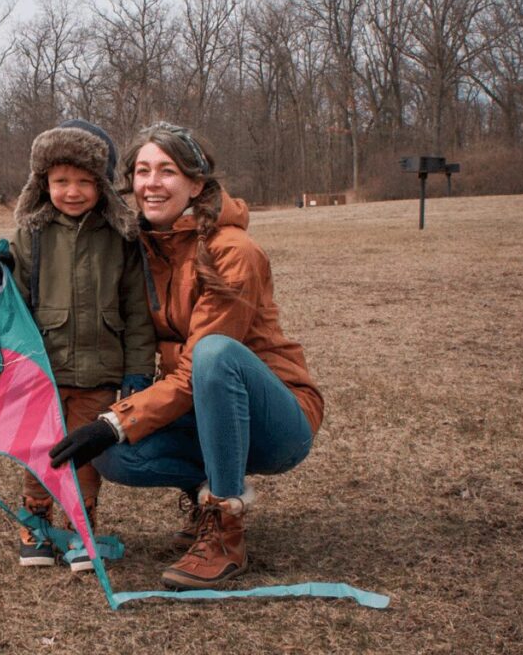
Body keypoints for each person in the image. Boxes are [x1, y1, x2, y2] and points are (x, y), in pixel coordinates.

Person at [50, 121, 324, 590]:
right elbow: (74, 254)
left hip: (277, 423)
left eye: (167, 171)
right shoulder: (143, 247)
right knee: (114, 456)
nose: (151, 183)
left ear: (196, 184)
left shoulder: (234, 251)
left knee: (215, 354)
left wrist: (113, 419)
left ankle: (225, 529)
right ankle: (205, 494)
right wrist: (15, 263)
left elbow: (201, 365)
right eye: (141, 171)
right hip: (202, 408)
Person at [0, 119, 156, 572]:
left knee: (87, 452)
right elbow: (14, 302)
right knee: (41, 448)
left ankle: (82, 524)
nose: (72, 191)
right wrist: (0, 272)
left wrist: (137, 372)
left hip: (100, 372)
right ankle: (36, 521)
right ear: (42, 182)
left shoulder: (121, 238)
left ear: (102, 185)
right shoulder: (32, 235)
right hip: (43, 370)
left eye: (85, 181)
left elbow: (138, 312)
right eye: (61, 180)